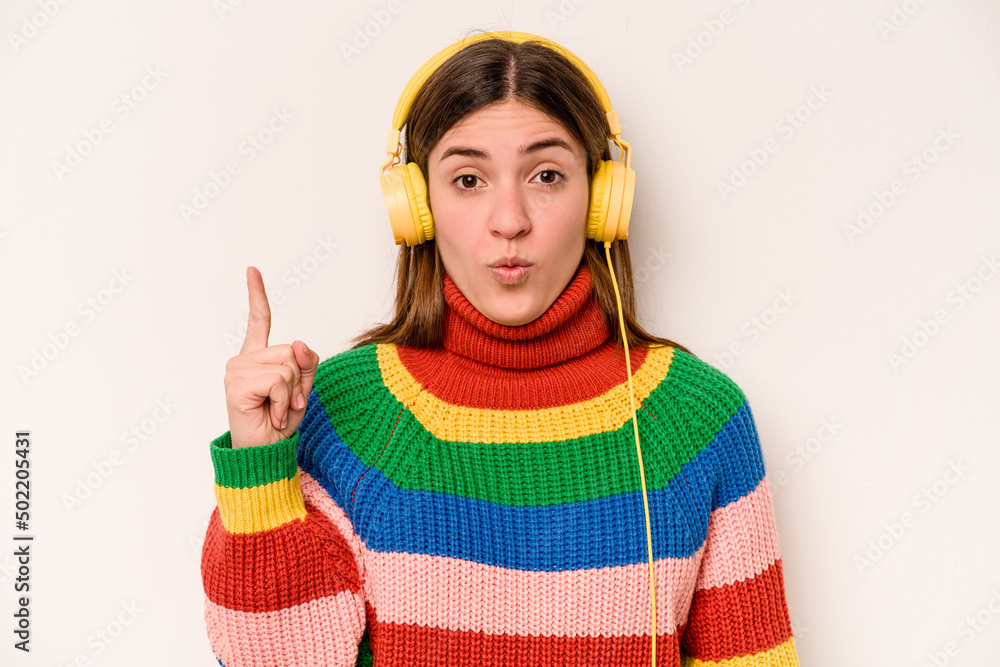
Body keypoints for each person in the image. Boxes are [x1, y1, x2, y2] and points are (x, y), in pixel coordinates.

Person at [200, 30, 800, 667]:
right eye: (468, 179)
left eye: (546, 175)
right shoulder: (343, 411)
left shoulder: (699, 419)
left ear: (602, 201)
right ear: (417, 209)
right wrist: (259, 468)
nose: (509, 219)